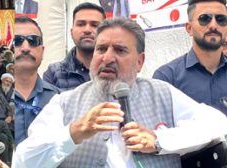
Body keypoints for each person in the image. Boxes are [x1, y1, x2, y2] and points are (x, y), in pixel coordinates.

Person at [13, 17, 227, 167]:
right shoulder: (64, 102)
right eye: (101, 49)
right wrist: (73, 132)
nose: (107, 58)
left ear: (140, 61)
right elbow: (24, 160)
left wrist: (159, 140)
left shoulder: (162, 92)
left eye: (120, 50)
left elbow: (217, 124)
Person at [153, 0, 227, 114]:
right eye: (204, 18)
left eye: (221, 19)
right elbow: (159, 127)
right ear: (189, 28)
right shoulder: (167, 78)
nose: (213, 25)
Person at [11, 16, 60, 145]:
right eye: (17, 41)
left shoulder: (58, 98)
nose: (25, 48)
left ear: (42, 51)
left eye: (33, 41)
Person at [43, 2, 105, 91]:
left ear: (105, 32)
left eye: (94, 25)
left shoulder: (114, 70)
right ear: (71, 32)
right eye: (81, 24)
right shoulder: (53, 73)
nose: (87, 30)